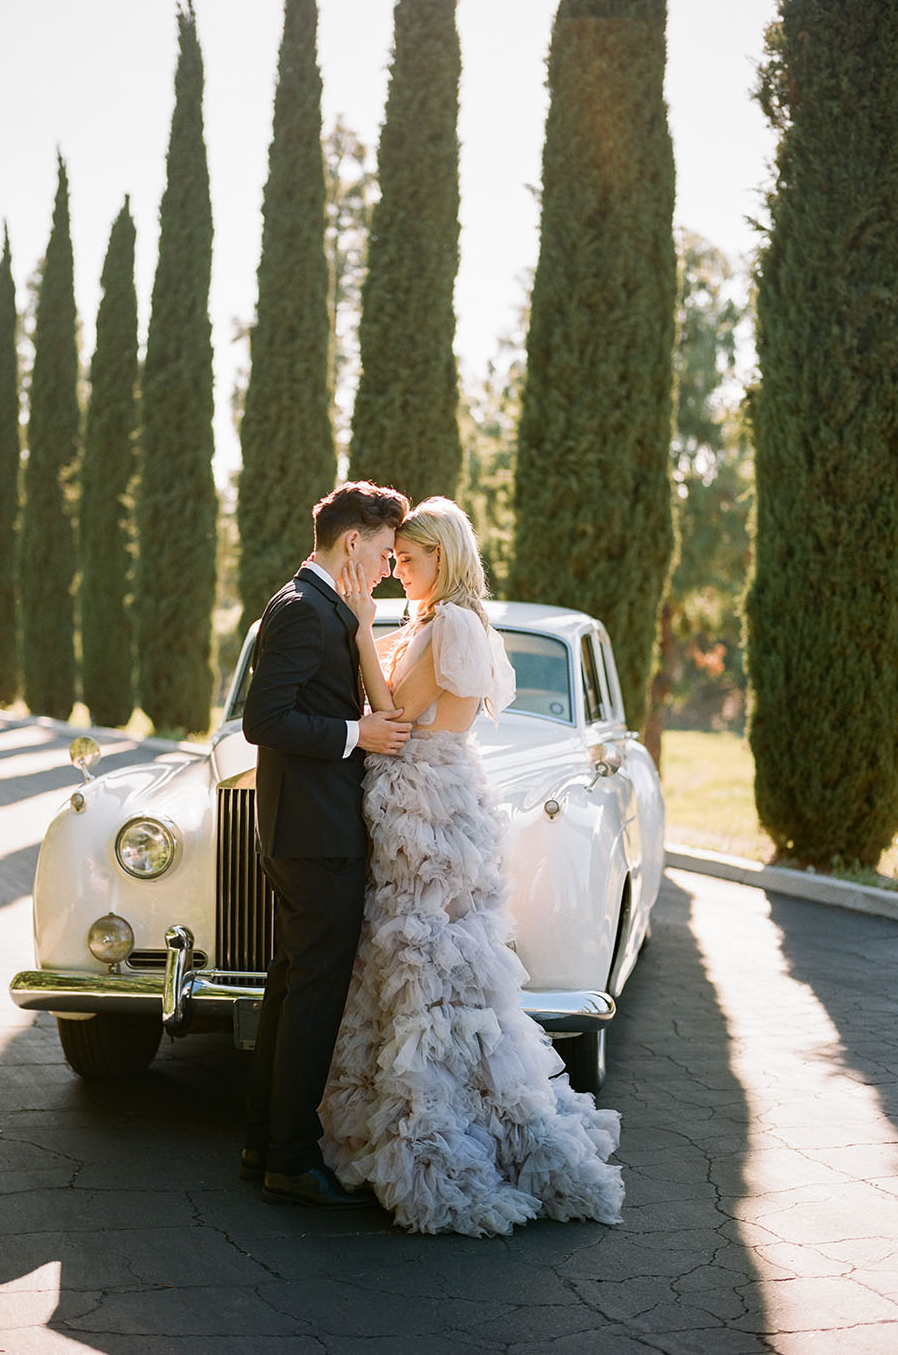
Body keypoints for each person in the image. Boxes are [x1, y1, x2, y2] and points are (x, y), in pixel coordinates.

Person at [320, 496, 625, 1236]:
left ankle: (439, 1138)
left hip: (427, 796)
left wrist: (361, 632)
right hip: (411, 791)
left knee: (430, 956)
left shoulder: (453, 622)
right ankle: (410, 1109)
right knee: (410, 956)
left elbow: (398, 712)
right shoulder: (428, 620)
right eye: (395, 560)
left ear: (445, 559)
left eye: (410, 560)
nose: (397, 572)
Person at [241, 480, 410, 1209]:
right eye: (382, 551)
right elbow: (263, 720)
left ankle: (263, 1141)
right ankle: (288, 1157)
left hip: (308, 831)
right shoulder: (304, 610)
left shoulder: (323, 608)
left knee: (290, 986)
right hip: (315, 836)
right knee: (312, 996)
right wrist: (357, 734)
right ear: (351, 542)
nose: (388, 566)